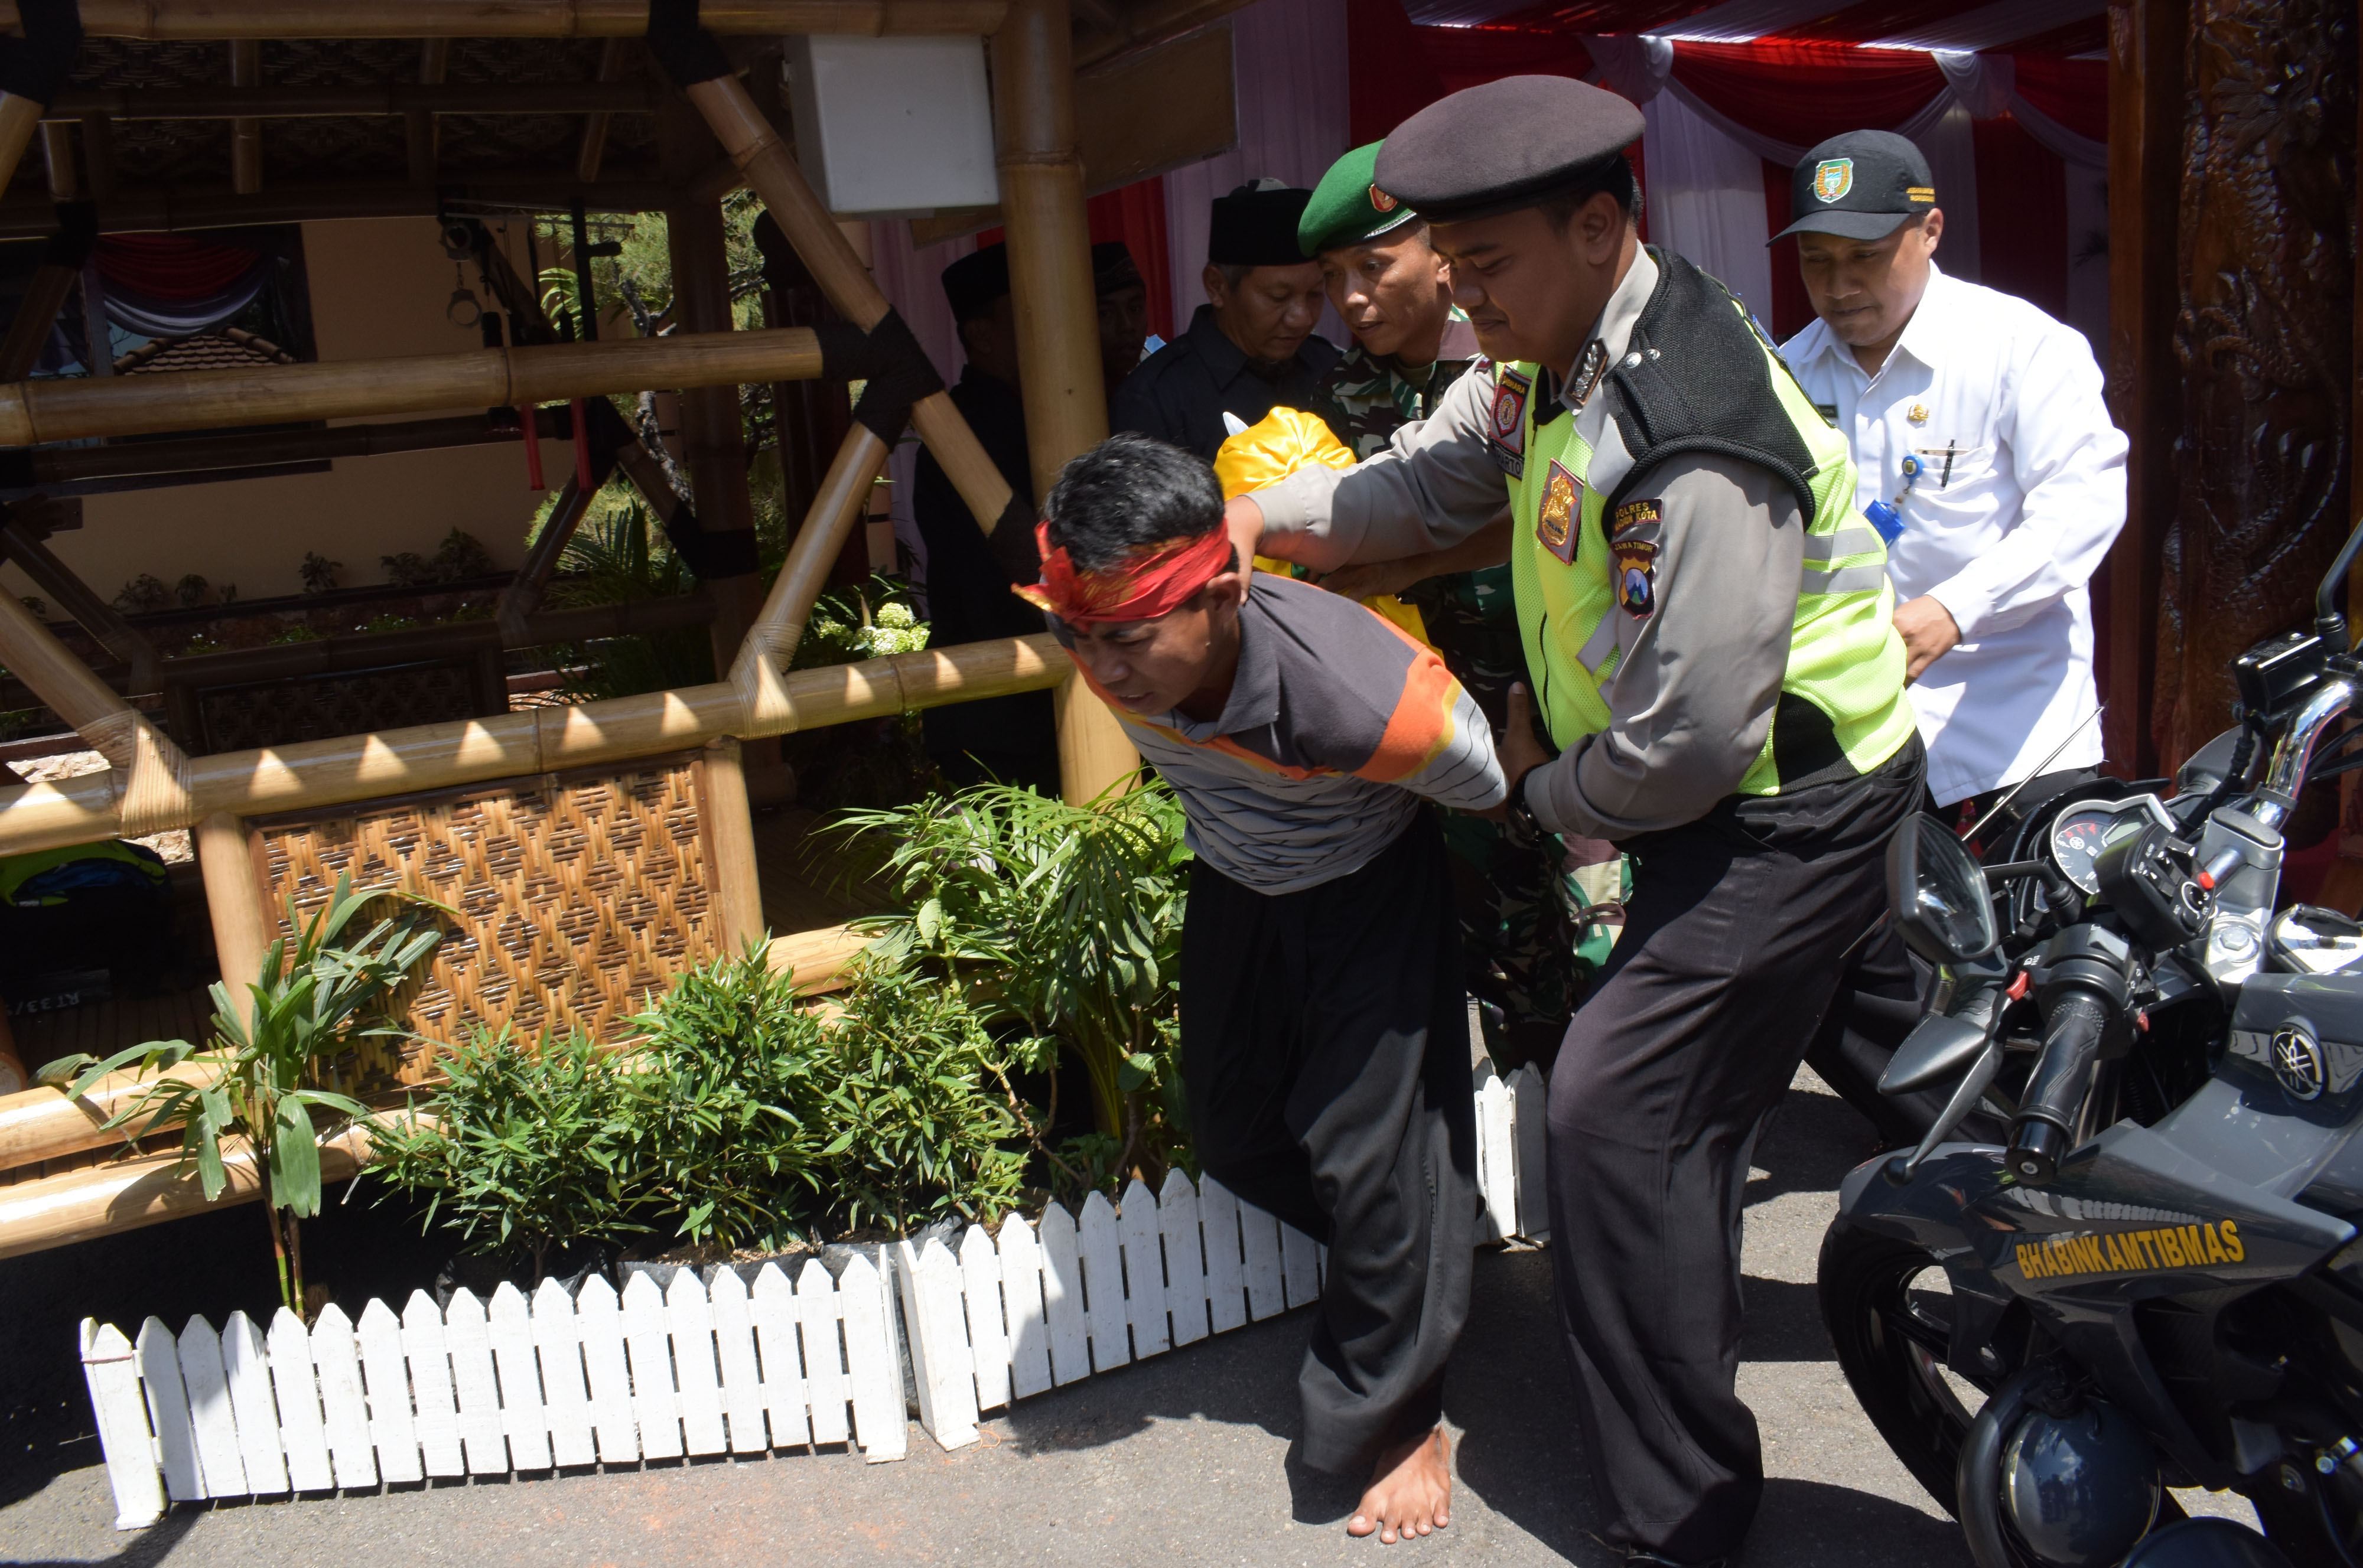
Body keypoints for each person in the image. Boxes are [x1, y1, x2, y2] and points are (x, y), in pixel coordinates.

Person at [1226, 76, 1924, 1567]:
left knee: (1617, 1109)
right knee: (1926, 1062)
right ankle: (2111, 1273)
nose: (1463, 303)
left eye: (1486, 270)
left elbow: (1685, 744)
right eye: (1454, 270)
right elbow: (1430, 482)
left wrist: (1537, 789)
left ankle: (1679, 1519)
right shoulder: (1554, 349)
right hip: (1736, 793)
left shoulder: (1695, 425)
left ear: (1599, 227)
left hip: (1780, 810)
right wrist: (1265, 523)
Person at [1016, 431, 1502, 1545]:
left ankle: (1405, 1412)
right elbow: (1114, 636)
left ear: (1226, 595)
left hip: (1371, 887)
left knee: (1367, 1155)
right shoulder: (1111, 637)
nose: (1103, 672)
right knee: (1236, 1133)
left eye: (1130, 640)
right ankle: (1416, 1247)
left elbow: (1487, 775)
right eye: (1075, 640)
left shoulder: (1372, 703)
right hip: (1237, 879)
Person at [1773, 131, 2127, 1146]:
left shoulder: (2022, 349)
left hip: (2019, 738)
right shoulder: (1787, 375)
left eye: (1863, 257)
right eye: (1816, 259)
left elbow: (2082, 507)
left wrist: (1954, 609)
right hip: (1865, 737)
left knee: (2058, 991)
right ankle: (1960, 1156)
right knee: (1857, 972)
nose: (1838, 286)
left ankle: (2082, 1170)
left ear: (1930, 231)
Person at [1296, 139, 1606, 1070]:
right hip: (1447, 709)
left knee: (1608, 928)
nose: (1351, 297)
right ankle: (1545, 1145)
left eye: (1372, 265)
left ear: (1439, 252)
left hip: (1567, 692)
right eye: (1331, 276)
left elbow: (1553, 509)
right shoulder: (1343, 391)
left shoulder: (1528, 357)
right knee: (1502, 947)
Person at [909, 240, 1150, 794]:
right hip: (1003, 709)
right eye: (1030, 318)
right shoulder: (970, 429)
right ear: (983, 335)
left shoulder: (1051, 411)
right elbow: (994, 590)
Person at [1110, 180, 1340, 459]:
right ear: (1217, 286)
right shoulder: (1154, 400)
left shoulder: (1332, 369)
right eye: (1279, 297)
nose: (1301, 318)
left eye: (1316, 294)